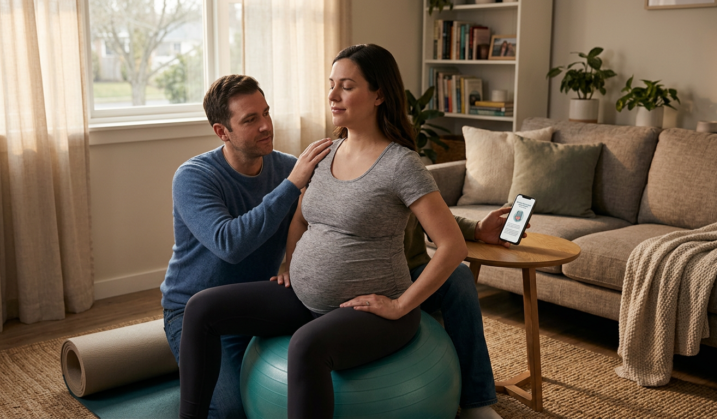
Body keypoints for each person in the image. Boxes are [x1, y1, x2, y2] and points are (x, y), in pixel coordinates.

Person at [177, 44, 516, 419]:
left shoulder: (400, 164)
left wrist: (401, 305)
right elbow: (301, 218)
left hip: (375, 309)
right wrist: (292, 262)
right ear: (222, 131)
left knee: (305, 347)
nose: (332, 95)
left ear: (379, 94)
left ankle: (477, 400)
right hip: (305, 297)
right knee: (201, 308)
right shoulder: (321, 154)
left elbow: (451, 245)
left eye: (347, 86)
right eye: (331, 84)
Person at [159, 74, 333, 418]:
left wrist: (291, 262)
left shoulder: (285, 166)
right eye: (250, 120)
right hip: (195, 313)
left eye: (266, 113)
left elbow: (325, 220)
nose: (266, 126)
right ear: (222, 131)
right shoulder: (194, 176)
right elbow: (230, 243)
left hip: (259, 300)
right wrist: (291, 184)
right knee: (232, 410)